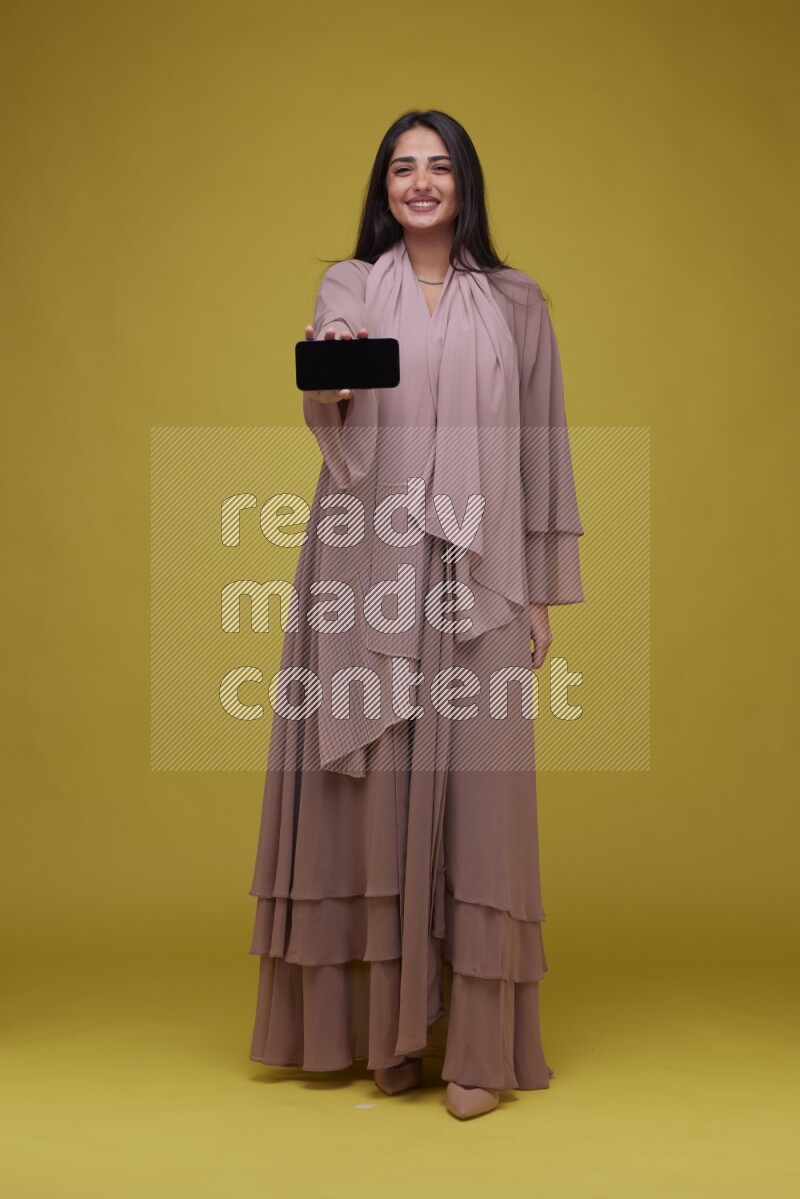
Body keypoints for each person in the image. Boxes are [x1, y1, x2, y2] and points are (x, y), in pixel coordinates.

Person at [247, 108, 585, 1120]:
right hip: (365, 563)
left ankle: (477, 1048)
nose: (421, 181)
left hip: (477, 571)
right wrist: (336, 363)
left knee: (480, 806)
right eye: (403, 167)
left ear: (463, 183)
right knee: (379, 791)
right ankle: (387, 1034)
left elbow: (539, 450)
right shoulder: (352, 285)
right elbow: (332, 393)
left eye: (438, 166)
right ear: (383, 186)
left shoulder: (516, 304)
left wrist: (533, 591)